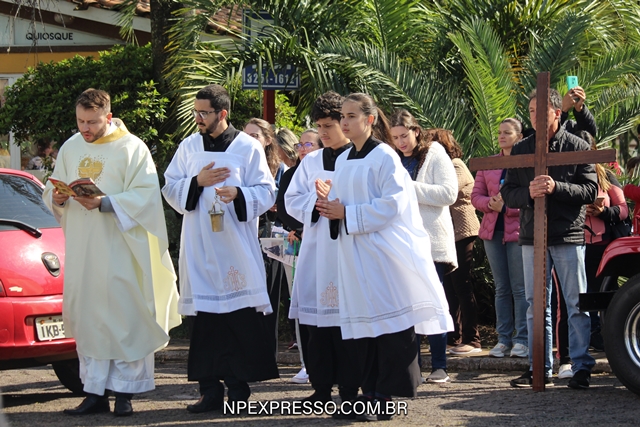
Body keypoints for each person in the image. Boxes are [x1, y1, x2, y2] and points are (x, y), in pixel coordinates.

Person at [43, 88, 181, 416]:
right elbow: (53, 187)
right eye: (80, 121)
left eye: (92, 122)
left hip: (122, 249)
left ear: (108, 116)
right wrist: (57, 197)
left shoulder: (132, 148)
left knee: (125, 317)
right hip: (84, 249)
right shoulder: (71, 146)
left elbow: (146, 196)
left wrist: (105, 203)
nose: (85, 128)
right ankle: (94, 392)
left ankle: (125, 394)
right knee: (90, 318)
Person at [316, 93, 453, 421]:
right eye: (342, 116)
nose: (344, 122)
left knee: (388, 327)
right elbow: (343, 201)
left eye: (351, 116)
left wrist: (347, 213)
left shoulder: (385, 157)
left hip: (382, 254)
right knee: (363, 326)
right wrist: (330, 206)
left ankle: (384, 398)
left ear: (370, 119)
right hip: (353, 253)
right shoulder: (344, 159)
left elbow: (393, 204)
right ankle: (367, 394)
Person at [162, 84, 279, 412]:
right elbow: (169, 186)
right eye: (196, 112)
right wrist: (196, 183)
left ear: (222, 113)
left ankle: (238, 391)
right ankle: (209, 392)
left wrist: (240, 194)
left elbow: (267, 191)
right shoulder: (189, 146)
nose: (198, 118)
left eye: (204, 113)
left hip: (234, 246)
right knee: (206, 324)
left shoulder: (247, 147)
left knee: (237, 320)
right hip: (199, 244)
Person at [501, 88, 597, 389]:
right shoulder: (521, 149)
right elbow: (508, 193)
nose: (534, 116)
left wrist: (557, 187)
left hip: (567, 234)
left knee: (576, 302)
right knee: (535, 305)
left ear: (557, 113)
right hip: (533, 236)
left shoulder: (577, 146)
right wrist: (528, 193)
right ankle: (538, 368)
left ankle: (580, 367)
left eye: (540, 111)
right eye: (530, 111)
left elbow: (590, 190)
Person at [285, 91, 363, 412]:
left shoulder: (358, 159)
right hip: (317, 253)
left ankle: (349, 390)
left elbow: (365, 201)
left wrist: (337, 201)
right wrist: (317, 202)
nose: (323, 133)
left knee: (346, 326)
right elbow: (291, 200)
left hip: (346, 253)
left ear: (343, 122)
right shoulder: (311, 162)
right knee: (316, 328)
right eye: (319, 127)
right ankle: (320, 389)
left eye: (329, 125)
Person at [389, 109, 457, 383]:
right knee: (408, 307)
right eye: (395, 138)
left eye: (404, 136)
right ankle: (412, 368)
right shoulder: (392, 158)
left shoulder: (435, 152)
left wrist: (409, 187)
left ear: (416, 131)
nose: (400, 142)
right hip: (401, 242)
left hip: (430, 243)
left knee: (433, 302)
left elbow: (449, 193)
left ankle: (440, 366)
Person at [471, 118, 528, 359]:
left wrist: (507, 208)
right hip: (492, 233)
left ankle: (522, 340)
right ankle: (503, 339)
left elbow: (530, 198)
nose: (501, 136)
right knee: (502, 288)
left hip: (518, 233)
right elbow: (475, 196)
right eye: (499, 133)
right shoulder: (489, 164)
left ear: (519, 136)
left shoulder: (526, 163)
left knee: (520, 288)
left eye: (507, 132)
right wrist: (490, 204)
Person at [424, 128, 481, 355]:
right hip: (447, 235)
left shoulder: (456, 166)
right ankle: (453, 336)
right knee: (448, 287)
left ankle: (472, 338)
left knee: (462, 285)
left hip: (462, 231)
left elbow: (444, 193)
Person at [275, 128, 323, 385]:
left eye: (308, 144)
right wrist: (300, 229)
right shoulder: (291, 174)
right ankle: (307, 363)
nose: (303, 149)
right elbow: (284, 207)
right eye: (300, 145)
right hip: (299, 241)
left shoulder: (328, 169)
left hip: (326, 240)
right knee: (302, 299)